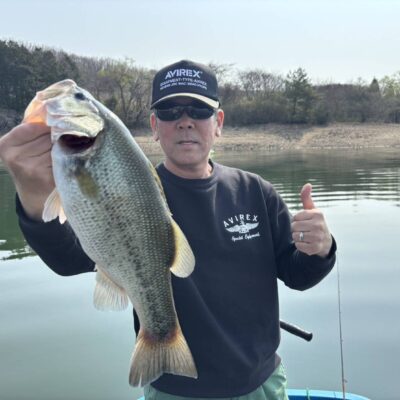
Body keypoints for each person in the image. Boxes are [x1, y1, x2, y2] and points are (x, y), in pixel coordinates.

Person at [0, 59, 336, 400]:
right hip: (174, 390)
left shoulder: (257, 192)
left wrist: (320, 250)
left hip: (261, 384)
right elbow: (68, 260)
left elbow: (298, 275)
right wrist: (32, 196)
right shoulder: (127, 189)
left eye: (199, 110)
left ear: (218, 123)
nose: (185, 121)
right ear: (155, 126)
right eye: (170, 111)